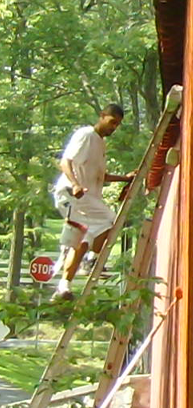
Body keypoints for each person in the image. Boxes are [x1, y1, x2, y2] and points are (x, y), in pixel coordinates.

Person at [51, 104, 130, 300]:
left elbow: (100, 177)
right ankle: (91, 261)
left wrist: (125, 178)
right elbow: (65, 162)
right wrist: (75, 184)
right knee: (113, 219)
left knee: (83, 241)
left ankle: (63, 288)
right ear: (102, 116)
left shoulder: (101, 144)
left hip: (87, 198)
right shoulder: (86, 135)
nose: (114, 128)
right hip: (72, 195)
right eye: (112, 122)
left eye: (117, 125)